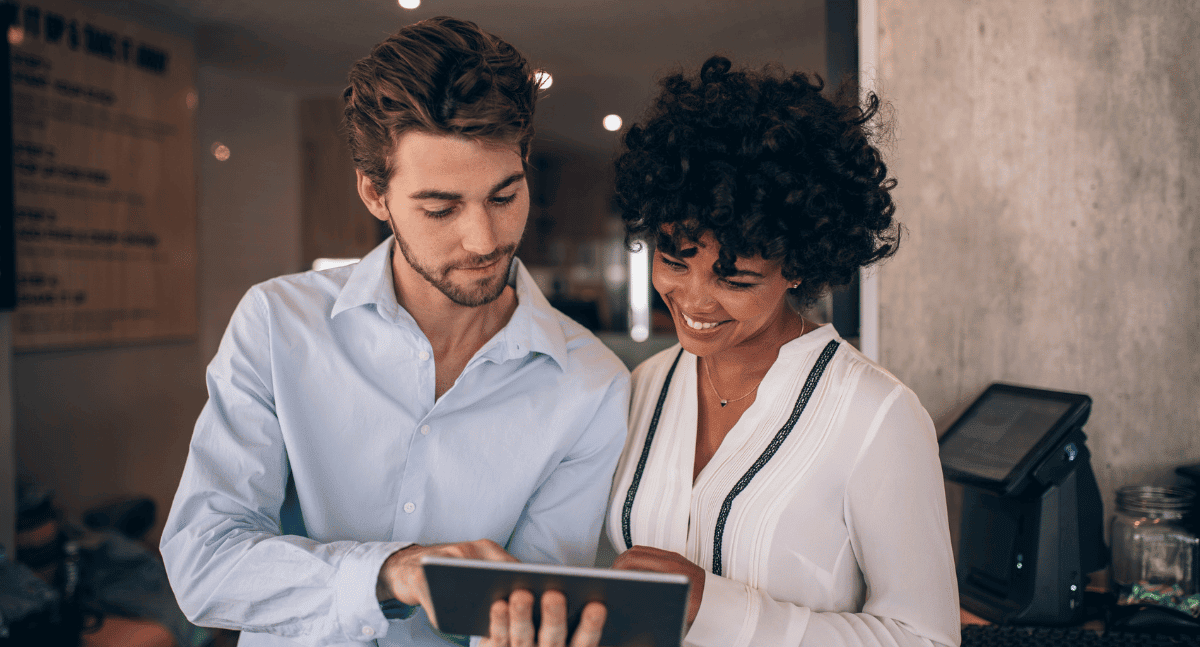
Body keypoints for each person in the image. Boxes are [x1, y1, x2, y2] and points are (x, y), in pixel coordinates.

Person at [160, 17, 626, 647]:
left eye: (503, 196)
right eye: (441, 209)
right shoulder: (278, 324)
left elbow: (529, 614)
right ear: (375, 195)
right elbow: (203, 566)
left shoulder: (590, 383)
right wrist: (390, 573)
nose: (484, 240)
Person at [605, 56, 961, 647]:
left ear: (798, 266)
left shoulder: (878, 416)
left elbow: (925, 638)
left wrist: (715, 609)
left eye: (736, 280)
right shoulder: (643, 386)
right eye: (673, 261)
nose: (694, 300)